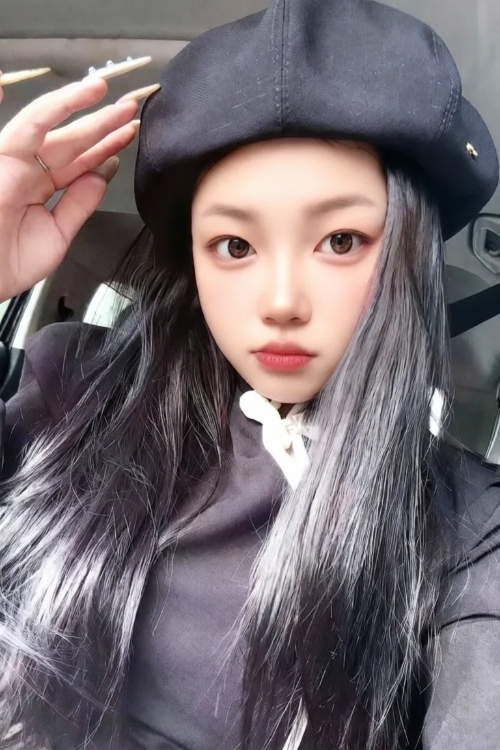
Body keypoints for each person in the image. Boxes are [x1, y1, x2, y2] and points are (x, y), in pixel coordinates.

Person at [0, 0, 499, 749]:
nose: (281, 302)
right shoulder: (74, 396)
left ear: (409, 254)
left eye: (341, 240)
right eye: (234, 246)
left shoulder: (469, 529)